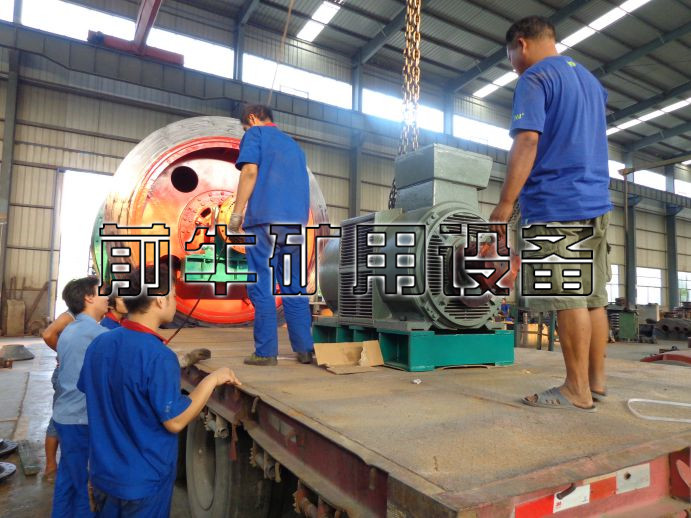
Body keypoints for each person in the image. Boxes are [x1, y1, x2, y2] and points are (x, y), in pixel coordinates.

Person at [490, 16, 612, 412]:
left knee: (568, 296)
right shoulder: (590, 81)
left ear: (521, 44)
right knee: (592, 298)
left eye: (510, 56)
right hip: (596, 201)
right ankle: (595, 381)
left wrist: (505, 203)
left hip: (556, 201)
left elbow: (528, 140)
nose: (512, 65)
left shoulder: (535, 78)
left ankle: (576, 389)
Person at [78, 266, 240, 517]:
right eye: (174, 295)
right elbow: (175, 421)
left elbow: (94, 398)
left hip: (103, 475)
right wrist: (212, 380)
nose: (175, 301)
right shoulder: (159, 356)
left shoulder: (99, 343)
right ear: (160, 300)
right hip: (142, 482)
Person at [228, 104, 315, 366]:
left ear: (252, 119)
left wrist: (236, 214)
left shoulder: (255, 134)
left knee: (262, 285)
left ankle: (265, 353)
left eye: (245, 127)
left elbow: (249, 171)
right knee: (294, 286)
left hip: (264, 221)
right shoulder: (295, 147)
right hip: (295, 225)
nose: (246, 131)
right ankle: (305, 349)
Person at [51, 277, 109, 517]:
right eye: (102, 292)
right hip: (80, 420)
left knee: (67, 478)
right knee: (85, 486)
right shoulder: (98, 334)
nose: (108, 297)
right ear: (89, 297)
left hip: (65, 416)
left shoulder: (70, 329)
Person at [41, 311, 76, 477]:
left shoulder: (91, 318)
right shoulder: (70, 315)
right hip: (65, 372)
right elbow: (48, 335)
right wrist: (64, 354)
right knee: (58, 418)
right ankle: (50, 466)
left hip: (77, 374)